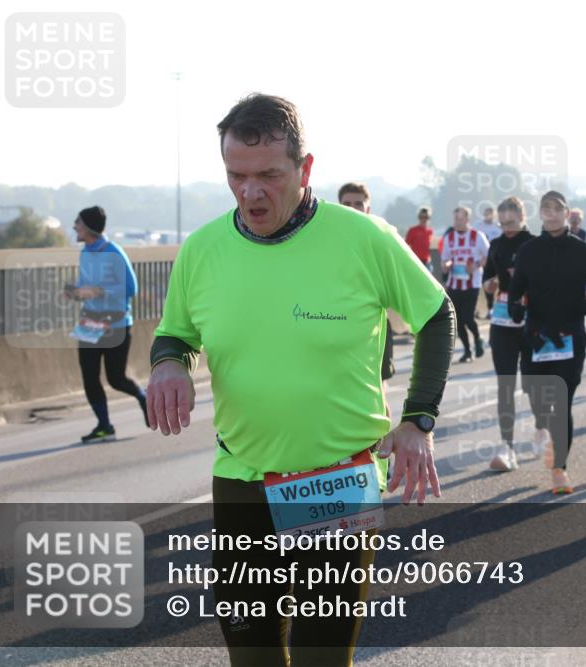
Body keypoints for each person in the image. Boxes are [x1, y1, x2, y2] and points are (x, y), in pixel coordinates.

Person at [145, 93, 455, 667]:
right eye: (236, 175)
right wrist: (168, 364)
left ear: (306, 169)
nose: (250, 191)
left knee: (320, 656)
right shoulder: (202, 250)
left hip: (336, 478)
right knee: (252, 655)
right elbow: (175, 333)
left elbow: (437, 314)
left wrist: (418, 419)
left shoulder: (364, 239)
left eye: (269, 175)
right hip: (241, 475)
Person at [508, 190, 586, 493]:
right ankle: (541, 424)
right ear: (540, 214)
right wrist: (516, 307)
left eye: (557, 209)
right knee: (534, 392)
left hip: (569, 335)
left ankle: (559, 470)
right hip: (536, 335)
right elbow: (515, 290)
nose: (551, 214)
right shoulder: (528, 251)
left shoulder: (583, 251)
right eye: (546, 209)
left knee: (562, 403)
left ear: (567, 213)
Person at [65, 205, 148, 443]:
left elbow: (132, 289)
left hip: (116, 324)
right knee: (89, 378)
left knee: (116, 379)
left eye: (78, 223)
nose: (74, 227)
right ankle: (104, 425)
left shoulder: (114, 251)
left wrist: (99, 291)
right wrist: (76, 292)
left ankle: (143, 397)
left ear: (89, 228)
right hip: (90, 324)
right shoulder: (84, 253)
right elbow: (84, 284)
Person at [482, 196, 535, 471]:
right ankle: (507, 447)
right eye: (502, 223)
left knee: (532, 384)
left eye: (511, 222)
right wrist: (490, 284)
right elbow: (488, 279)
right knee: (505, 385)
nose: (507, 227)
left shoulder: (535, 244)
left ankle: (542, 428)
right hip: (502, 322)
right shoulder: (497, 245)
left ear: (522, 216)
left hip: (530, 321)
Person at [338, 182, 396, 410]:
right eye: (346, 204)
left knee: (377, 395)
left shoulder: (383, 239)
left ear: (368, 208)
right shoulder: (328, 242)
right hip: (339, 327)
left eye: (358, 204)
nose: (353, 208)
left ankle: (380, 445)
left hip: (375, 328)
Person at [441, 206, 490, 361]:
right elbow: (444, 260)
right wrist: (447, 265)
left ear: (467, 220)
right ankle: (467, 351)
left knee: (468, 318)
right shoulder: (449, 238)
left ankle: (478, 338)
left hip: (472, 284)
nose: (457, 222)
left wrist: (475, 265)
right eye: (455, 219)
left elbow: (488, 256)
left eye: (460, 219)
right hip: (454, 284)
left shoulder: (477, 236)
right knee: (458, 321)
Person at [474, 205, 502, 318]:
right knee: (477, 284)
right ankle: (474, 309)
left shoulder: (498, 227)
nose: (488, 215)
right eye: (486, 212)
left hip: (493, 260)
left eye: (491, 213)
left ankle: (491, 308)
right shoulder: (478, 226)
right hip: (481, 260)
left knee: (490, 284)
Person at [405, 207, 435, 272]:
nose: (424, 220)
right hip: (415, 261)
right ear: (419, 218)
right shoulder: (412, 230)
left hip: (426, 262)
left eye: (426, 217)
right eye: (422, 217)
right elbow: (405, 245)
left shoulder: (430, 231)